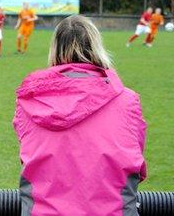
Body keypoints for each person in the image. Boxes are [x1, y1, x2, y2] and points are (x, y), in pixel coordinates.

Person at [13, 15, 146, 215]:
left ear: (55, 49)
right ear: (96, 46)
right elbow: (135, 166)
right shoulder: (128, 101)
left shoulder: (30, 101)